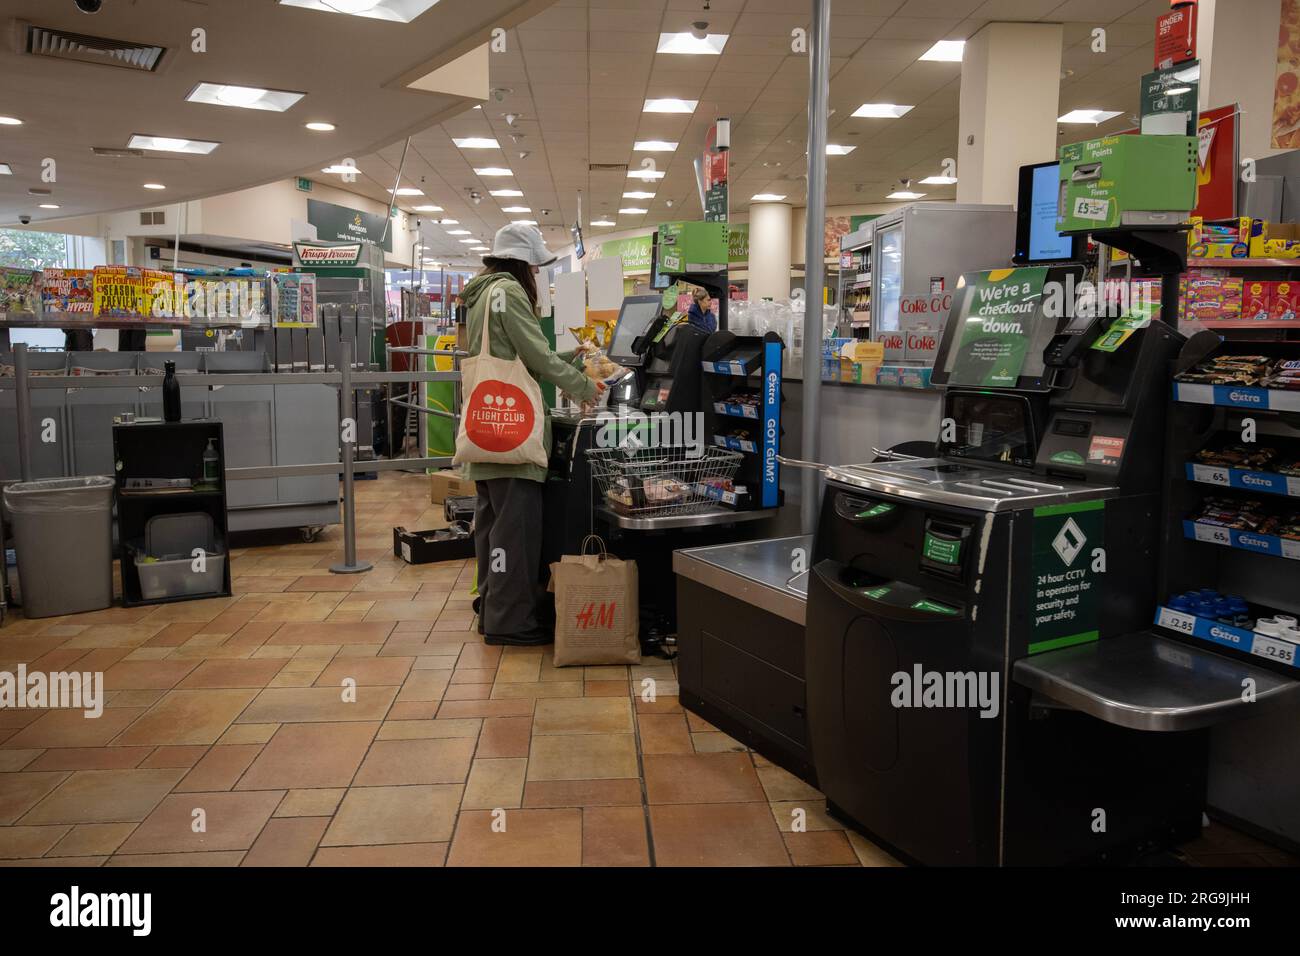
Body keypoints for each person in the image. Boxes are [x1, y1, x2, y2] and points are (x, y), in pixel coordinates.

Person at [459, 223, 605, 646]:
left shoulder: (482, 291)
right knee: (515, 534)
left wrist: (569, 359)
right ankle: (512, 623)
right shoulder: (510, 291)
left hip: (487, 435)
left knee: (490, 529)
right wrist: (584, 386)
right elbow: (534, 355)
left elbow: (516, 355)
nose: (537, 275)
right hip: (514, 438)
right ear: (522, 262)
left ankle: (493, 610)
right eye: (536, 268)